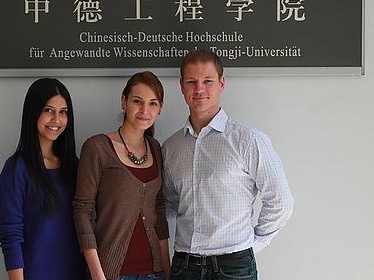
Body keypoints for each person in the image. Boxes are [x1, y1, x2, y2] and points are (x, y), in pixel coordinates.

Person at [162, 50, 294, 280]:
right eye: (192, 82)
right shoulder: (171, 147)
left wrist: (252, 246)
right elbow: (171, 203)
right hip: (184, 266)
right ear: (182, 86)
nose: (199, 89)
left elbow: (281, 200)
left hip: (233, 266)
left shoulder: (248, 140)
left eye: (208, 81)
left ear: (222, 83)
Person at [73, 71, 171, 280]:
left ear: (160, 108)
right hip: (112, 274)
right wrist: (97, 274)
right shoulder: (97, 147)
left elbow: (159, 211)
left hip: (154, 273)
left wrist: (167, 271)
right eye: (138, 101)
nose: (145, 110)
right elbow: (82, 212)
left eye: (153, 103)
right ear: (124, 102)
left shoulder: (155, 148)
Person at [0, 78, 86, 280]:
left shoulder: (75, 166)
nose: (56, 119)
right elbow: (11, 235)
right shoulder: (16, 169)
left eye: (63, 112)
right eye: (48, 110)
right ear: (33, 112)